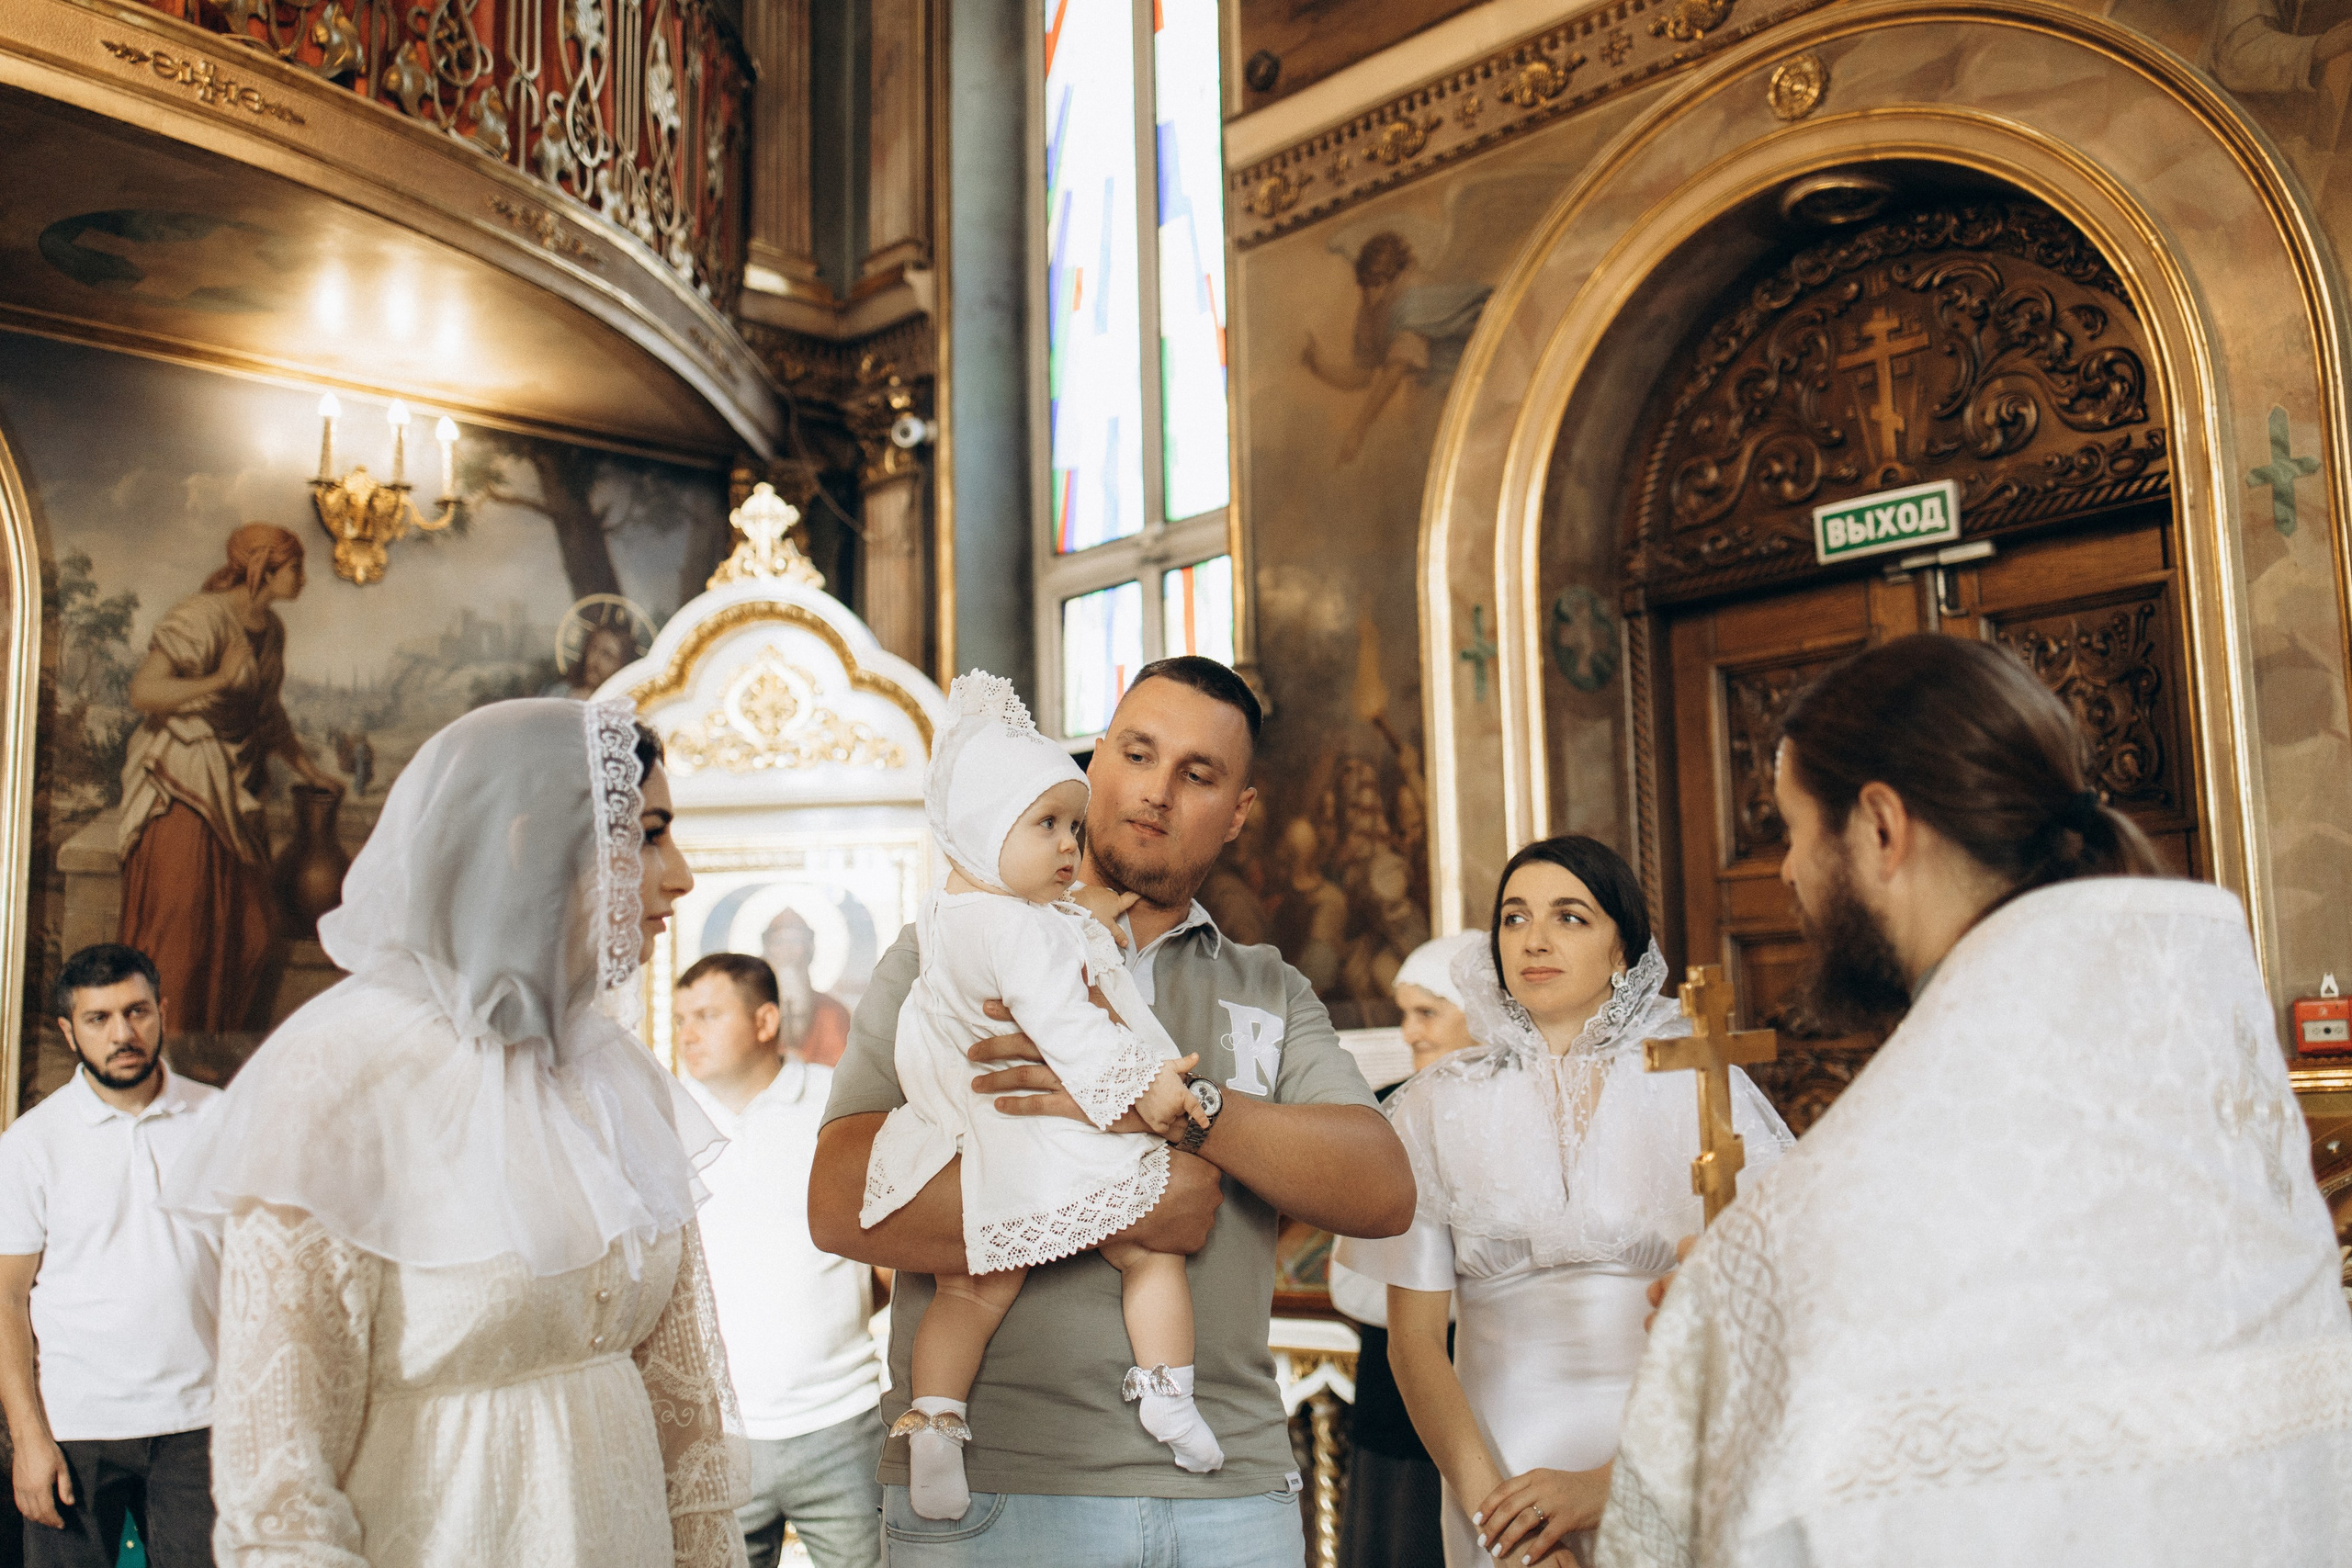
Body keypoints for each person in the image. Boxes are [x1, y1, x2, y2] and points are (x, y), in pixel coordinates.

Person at [1596, 636, 2352, 1568]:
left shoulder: (1820, 1221)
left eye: (1792, 830)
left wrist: (1732, 1310)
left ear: (1880, 828)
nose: (1784, 871)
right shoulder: (2203, 1096)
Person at [808, 655, 1418, 1568]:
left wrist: (1184, 1113)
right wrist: (1134, 1205)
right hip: (1001, 1488)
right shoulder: (947, 951)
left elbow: (1381, 1189)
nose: (1156, 791)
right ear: (1094, 763)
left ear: (1239, 812)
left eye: (1197, 774)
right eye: (1136, 754)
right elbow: (840, 1201)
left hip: (1229, 1496)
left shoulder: (1269, 986)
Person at [161, 698, 751, 1568]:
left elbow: (685, 1415)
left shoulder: (616, 1077)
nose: (682, 876)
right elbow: (280, 1494)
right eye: (649, 835)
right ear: (526, 842)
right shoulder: (336, 1079)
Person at [1341, 839, 1790, 1568]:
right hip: (1497, 1476)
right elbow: (1414, 1342)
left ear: (1622, 949)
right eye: (1514, 917)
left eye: (1570, 916)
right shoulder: (1436, 1107)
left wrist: (1617, 1488)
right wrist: (1502, 1524)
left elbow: (1762, 1318)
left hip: (1670, 1470)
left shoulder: (1697, 1086)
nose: (1535, 939)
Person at [863, 672, 1224, 1518]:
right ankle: (1168, 1391)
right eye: (1045, 825)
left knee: (968, 1291)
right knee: (1150, 1247)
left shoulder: (952, 914)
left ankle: (936, 1426)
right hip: (1027, 1125)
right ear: (985, 829)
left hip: (962, 1124)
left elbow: (1038, 931)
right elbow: (1068, 1025)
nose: (1068, 846)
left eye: (1072, 825)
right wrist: (1146, 1089)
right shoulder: (1019, 927)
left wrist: (1078, 911)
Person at [0, 944, 221, 1568]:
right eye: (99, 1018)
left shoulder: (222, 1118)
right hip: (75, 1427)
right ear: (69, 1031)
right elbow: (6, 1299)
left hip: (203, 1422)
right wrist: (29, 1438)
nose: (123, 1033)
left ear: (162, 1011)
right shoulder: (31, 1144)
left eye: (136, 1011)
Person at [674, 952, 886, 1568]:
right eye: (682, 1018)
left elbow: (889, 1256)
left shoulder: (837, 1104)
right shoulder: (666, 1118)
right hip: (716, 1436)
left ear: (765, 1021)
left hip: (841, 1423)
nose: (688, 1033)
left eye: (707, 1015)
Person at [119, 524, 343, 1039]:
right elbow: (145, 692)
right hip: (183, 781)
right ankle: (162, 1052)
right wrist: (219, 680)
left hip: (234, 787)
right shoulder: (202, 616)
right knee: (181, 930)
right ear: (264, 568)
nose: (303, 578)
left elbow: (267, 712)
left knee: (251, 934)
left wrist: (307, 769)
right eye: (296, 567)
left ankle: (209, 1052)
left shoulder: (272, 630)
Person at [1330, 931, 1484, 1568]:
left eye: (1428, 1012)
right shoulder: (1389, 1108)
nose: (1410, 1032)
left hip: (1490, 1384)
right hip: (1396, 1394)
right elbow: (1353, 1276)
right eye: (1405, 1014)